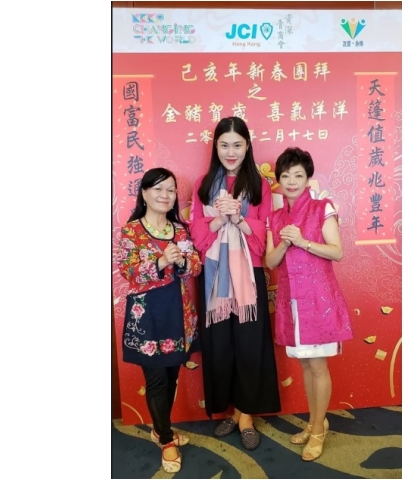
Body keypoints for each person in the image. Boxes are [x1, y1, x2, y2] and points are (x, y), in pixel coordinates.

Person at [189, 116, 281, 450]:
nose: (231, 152)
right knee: (221, 347)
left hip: (247, 276)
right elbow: (197, 235)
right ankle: (232, 409)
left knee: (249, 345)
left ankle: (246, 416)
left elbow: (263, 238)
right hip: (215, 276)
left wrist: (238, 217)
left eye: (237, 145)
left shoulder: (259, 185)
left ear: (247, 146)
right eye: (224, 145)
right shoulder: (203, 183)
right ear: (215, 146)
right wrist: (219, 218)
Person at [265, 147, 354, 462]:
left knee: (318, 366)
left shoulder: (321, 208)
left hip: (318, 300)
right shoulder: (275, 217)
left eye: (298, 175)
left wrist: (303, 241)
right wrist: (285, 242)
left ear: (307, 179)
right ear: (279, 180)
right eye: (286, 175)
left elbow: (337, 251)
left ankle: (318, 429)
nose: (291, 181)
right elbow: (270, 261)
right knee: (306, 364)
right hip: (292, 303)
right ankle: (316, 422)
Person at [116, 167, 202, 473]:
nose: (165, 195)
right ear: (144, 193)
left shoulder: (180, 230)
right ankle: (166, 439)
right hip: (148, 318)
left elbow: (195, 266)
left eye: (170, 190)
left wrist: (182, 261)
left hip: (178, 315)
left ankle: (159, 428)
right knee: (156, 380)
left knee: (171, 377)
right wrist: (161, 261)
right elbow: (128, 272)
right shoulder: (131, 231)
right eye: (158, 189)